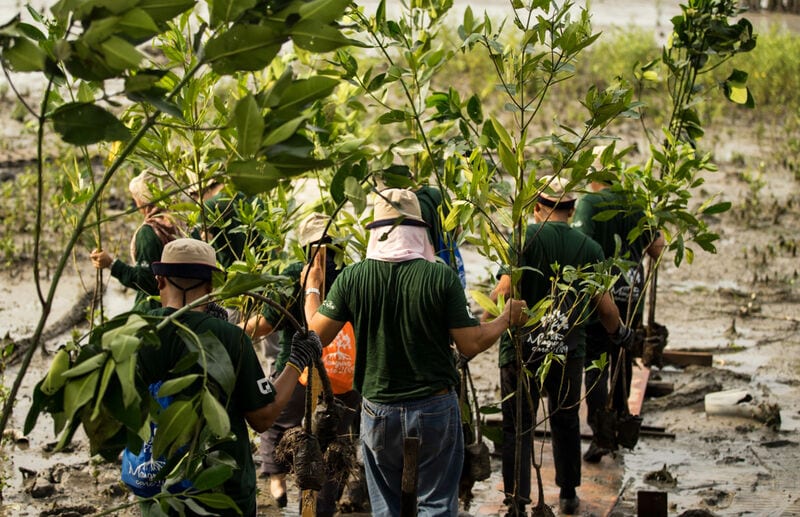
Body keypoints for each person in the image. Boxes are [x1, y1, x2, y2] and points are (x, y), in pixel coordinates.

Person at [302, 188, 528, 516]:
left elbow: (315, 336)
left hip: (379, 410)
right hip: (434, 407)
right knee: (435, 506)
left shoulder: (353, 278)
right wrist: (506, 318)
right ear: (420, 229)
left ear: (376, 231)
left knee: (386, 509)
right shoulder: (440, 277)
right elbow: (471, 344)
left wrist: (312, 286)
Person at [137, 238, 322, 516]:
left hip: (157, 486)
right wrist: (296, 362)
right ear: (211, 286)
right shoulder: (231, 338)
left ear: (160, 280)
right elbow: (263, 418)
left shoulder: (138, 332)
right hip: (222, 490)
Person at [487, 176, 633, 516]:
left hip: (520, 352)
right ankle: (567, 494)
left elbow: (504, 292)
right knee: (566, 419)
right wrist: (621, 334)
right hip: (567, 352)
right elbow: (605, 307)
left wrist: (481, 323)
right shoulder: (589, 248)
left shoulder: (523, 241)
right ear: (571, 210)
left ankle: (518, 500)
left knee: (518, 426)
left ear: (537, 208)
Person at [241, 213, 361, 516]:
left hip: (298, 370)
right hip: (344, 375)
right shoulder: (350, 276)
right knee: (336, 447)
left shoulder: (295, 273)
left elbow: (266, 325)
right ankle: (325, 507)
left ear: (303, 246)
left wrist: (237, 331)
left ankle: (278, 480)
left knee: (273, 423)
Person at [572, 146, 665, 463]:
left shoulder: (589, 202)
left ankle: (601, 436)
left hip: (601, 297)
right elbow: (658, 247)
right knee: (622, 359)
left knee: (596, 366)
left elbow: (582, 248)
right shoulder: (635, 202)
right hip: (633, 295)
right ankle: (622, 419)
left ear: (593, 173)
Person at [90, 170, 181, 310]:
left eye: (137, 197)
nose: (135, 201)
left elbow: (146, 281)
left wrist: (112, 264)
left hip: (155, 310)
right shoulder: (183, 223)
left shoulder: (149, 233)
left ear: (145, 200)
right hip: (181, 304)